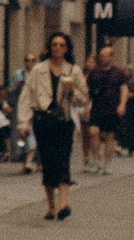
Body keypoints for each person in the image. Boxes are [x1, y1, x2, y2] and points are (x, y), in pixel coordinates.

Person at [19, 31, 90, 221]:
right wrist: (23, 122)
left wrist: (71, 91)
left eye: (61, 45)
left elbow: (83, 99)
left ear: (67, 49)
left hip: (63, 122)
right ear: (50, 48)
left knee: (63, 161)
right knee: (48, 162)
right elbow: (27, 96)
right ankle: (51, 206)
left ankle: (64, 203)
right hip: (43, 121)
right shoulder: (38, 70)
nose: (57, 48)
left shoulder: (73, 71)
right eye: (54, 45)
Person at [84, 44, 131, 176]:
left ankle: (107, 163)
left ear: (111, 57)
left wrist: (122, 104)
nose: (103, 58)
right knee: (94, 132)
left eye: (106, 56)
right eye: (102, 56)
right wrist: (87, 106)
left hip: (112, 108)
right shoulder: (94, 72)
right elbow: (88, 90)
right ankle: (96, 160)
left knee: (110, 136)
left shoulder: (119, 73)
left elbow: (124, 89)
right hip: (97, 107)